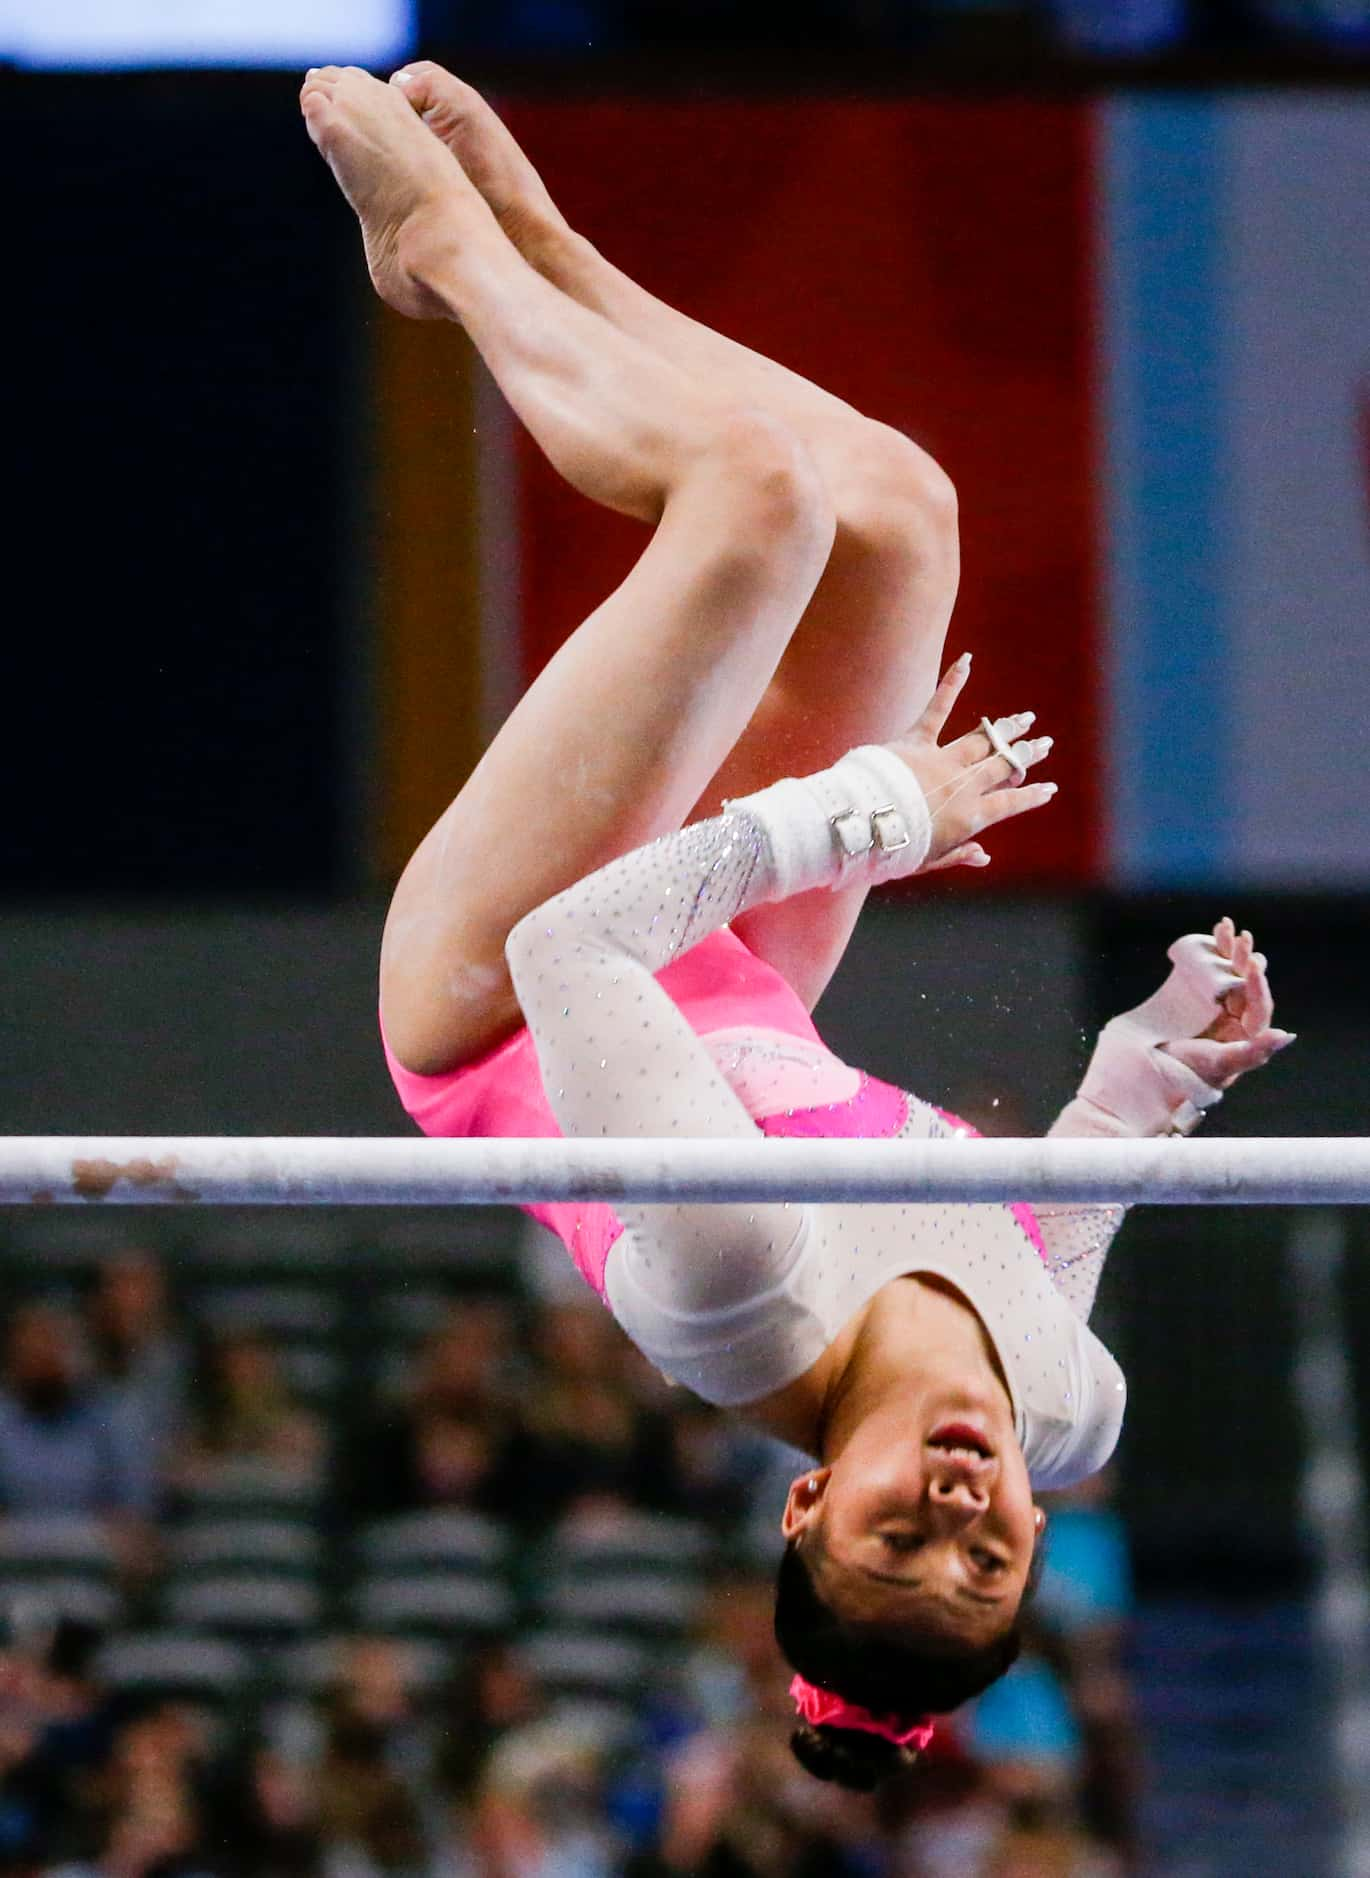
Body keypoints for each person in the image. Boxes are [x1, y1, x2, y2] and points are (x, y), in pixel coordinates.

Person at [298, 62, 1293, 1787]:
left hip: (500, 980)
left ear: (810, 1498)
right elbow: (1061, 1190)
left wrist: (876, 814)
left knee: (754, 505)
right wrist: (1162, 1064)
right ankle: (557, 246)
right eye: (986, 1560)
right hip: (741, 964)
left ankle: (447, 259)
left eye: (895, 1543)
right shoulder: (1067, 1406)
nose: (960, 1515)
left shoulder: (734, 1280)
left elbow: (570, 955)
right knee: (901, 518)